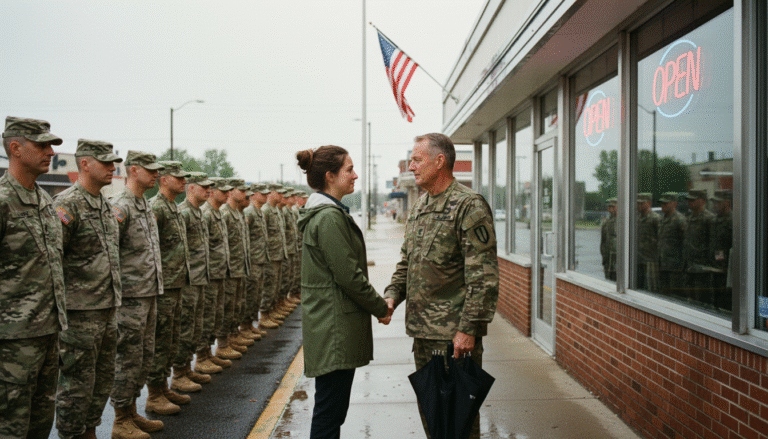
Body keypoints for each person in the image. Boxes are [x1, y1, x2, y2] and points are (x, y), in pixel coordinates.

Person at [383, 133, 499, 439]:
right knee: (434, 418)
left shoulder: (468, 206)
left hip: (454, 339)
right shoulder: (420, 207)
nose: (411, 166)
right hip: (423, 335)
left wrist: (468, 328)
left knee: (458, 422)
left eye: (417, 159)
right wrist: (392, 296)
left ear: (440, 161)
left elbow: (483, 276)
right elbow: (408, 263)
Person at [296, 145, 391, 439]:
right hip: (333, 327)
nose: (355, 175)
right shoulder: (328, 218)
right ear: (330, 176)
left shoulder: (328, 214)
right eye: (349, 170)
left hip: (330, 323)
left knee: (332, 410)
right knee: (329, 413)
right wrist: (381, 307)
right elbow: (349, 276)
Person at [0, 116, 67, 439]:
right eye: (41, 145)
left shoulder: (45, 201)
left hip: (48, 332)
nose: (50, 152)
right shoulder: (3, 202)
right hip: (12, 340)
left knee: (41, 423)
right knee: (10, 425)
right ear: (15, 148)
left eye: (51, 146)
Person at [54, 140, 122, 439]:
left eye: (113, 162)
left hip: (107, 307)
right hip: (79, 313)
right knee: (76, 384)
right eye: (105, 162)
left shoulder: (104, 204)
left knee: (103, 378)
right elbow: (54, 260)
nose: (112, 167)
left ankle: (89, 431)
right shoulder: (66, 204)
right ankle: (71, 434)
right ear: (85, 163)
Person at [109, 151, 165, 439]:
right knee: (127, 357)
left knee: (143, 356)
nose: (156, 174)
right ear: (133, 170)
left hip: (148, 292)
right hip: (130, 297)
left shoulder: (142, 204)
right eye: (150, 170)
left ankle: (132, 412)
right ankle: (120, 420)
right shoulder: (121, 206)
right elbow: (109, 252)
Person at [147, 161, 195, 412]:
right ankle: (154, 394)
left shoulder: (172, 207)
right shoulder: (157, 208)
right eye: (177, 177)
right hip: (164, 286)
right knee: (161, 340)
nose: (183, 181)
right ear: (163, 180)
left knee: (171, 339)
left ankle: (164, 387)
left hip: (177, 283)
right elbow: (149, 247)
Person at [174, 172, 220, 386]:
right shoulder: (183, 213)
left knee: (196, 325)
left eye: (209, 186)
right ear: (190, 188)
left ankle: (188, 367)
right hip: (188, 279)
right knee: (185, 326)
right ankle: (179, 374)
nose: (207, 190)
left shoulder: (198, 213)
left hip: (201, 276)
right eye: (203, 186)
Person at [200, 178, 240, 363]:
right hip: (210, 274)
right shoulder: (207, 214)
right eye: (223, 191)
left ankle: (210, 353)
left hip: (221, 272)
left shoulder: (216, 213)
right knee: (207, 316)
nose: (227, 194)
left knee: (217, 314)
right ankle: (202, 357)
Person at [219, 179, 253, 354]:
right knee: (228, 306)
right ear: (231, 192)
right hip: (229, 268)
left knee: (236, 305)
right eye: (241, 190)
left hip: (239, 266)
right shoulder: (224, 213)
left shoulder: (238, 213)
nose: (245, 194)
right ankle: (223, 344)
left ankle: (233, 336)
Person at [244, 184, 271, 337]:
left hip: (260, 258)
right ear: (253, 194)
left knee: (257, 293)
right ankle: (245, 326)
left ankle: (250, 324)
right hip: (253, 260)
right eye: (263, 193)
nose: (266, 196)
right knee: (251, 293)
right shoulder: (250, 212)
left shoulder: (259, 212)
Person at [260, 183, 288, 328]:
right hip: (269, 256)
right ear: (271, 193)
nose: (282, 196)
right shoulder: (265, 211)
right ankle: (265, 315)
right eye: (279, 193)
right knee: (269, 286)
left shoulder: (275, 210)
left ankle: (271, 311)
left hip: (277, 254)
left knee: (275, 285)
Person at [683, 189, 715, 305]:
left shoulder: (709, 219)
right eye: (689, 200)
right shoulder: (688, 218)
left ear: (702, 201)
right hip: (689, 265)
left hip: (702, 267)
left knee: (702, 300)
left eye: (693, 200)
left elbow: (713, 244)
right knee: (690, 299)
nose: (689, 202)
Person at [657, 192, 686, 298]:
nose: (663, 206)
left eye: (666, 203)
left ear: (674, 204)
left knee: (675, 296)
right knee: (663, 295)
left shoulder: (679, 220)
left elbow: (685, 242)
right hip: (663, 264)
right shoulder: (662, 219)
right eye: (662, 203)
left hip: (675, 266)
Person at [636, 193, 660, 292]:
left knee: (651, 289)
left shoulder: (655, 218)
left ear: (649, 203)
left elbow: (661, 239)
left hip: (651, 260)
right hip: (638, 259)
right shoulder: (636, 218)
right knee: (637, 288)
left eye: (642, 203)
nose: (639, 205)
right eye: (638, 203)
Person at [600, 198, 617, 281]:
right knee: (608, 281)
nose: (610, 209)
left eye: (612, 207)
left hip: (618, 259)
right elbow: (603, 241)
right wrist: (604, 256)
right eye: (609, 207)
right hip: (608, 259)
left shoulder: (625, 220)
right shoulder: (606, 222)